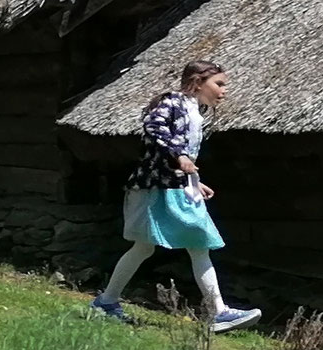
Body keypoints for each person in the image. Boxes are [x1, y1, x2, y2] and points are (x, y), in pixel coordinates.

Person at [92, 60, 263, 334]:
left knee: (184, 245)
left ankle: (107, 302)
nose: (223, 90)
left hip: (176, 188)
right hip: (158, 188)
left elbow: (182, 157)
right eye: (218, 84)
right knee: (173, 245)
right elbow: (153, 126)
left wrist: (195, 181)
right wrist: (180, 156)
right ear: (197, 82)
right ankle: (217, 313)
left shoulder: (197, 112)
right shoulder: (174, 102)